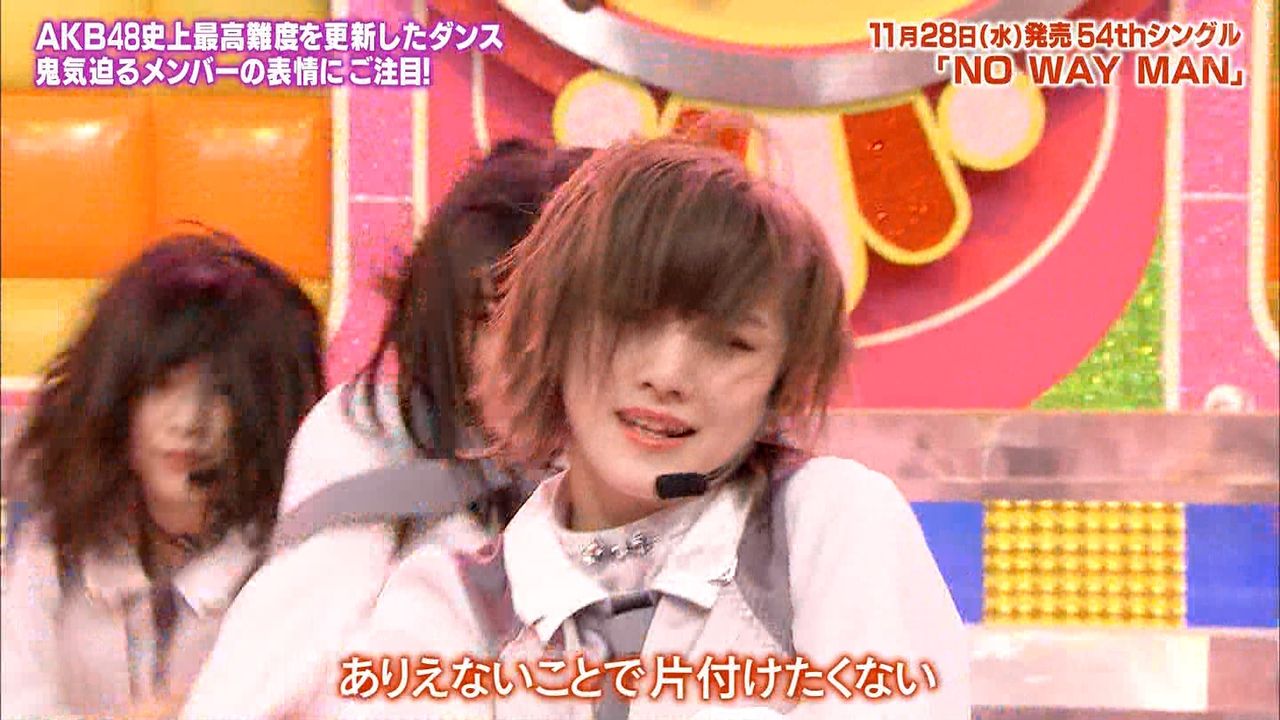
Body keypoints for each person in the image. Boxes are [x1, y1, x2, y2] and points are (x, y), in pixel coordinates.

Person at [336, 132, 970, 719]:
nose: (668, 376)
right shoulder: (451, 602)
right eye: (630, 319)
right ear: (552, 328)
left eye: (731, 343)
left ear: (781, 378)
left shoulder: (827, 523)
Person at [179, 139, 594, 719]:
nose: (524, 352)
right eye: (490, 318)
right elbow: (282, 643)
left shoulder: (660, 475)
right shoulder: (369, 429)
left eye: (561, 322)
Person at [0, 232, 325, 719]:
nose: (187, 422)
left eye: (222, 393)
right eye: (162, 385)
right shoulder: (56, 544)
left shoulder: (303, 565)